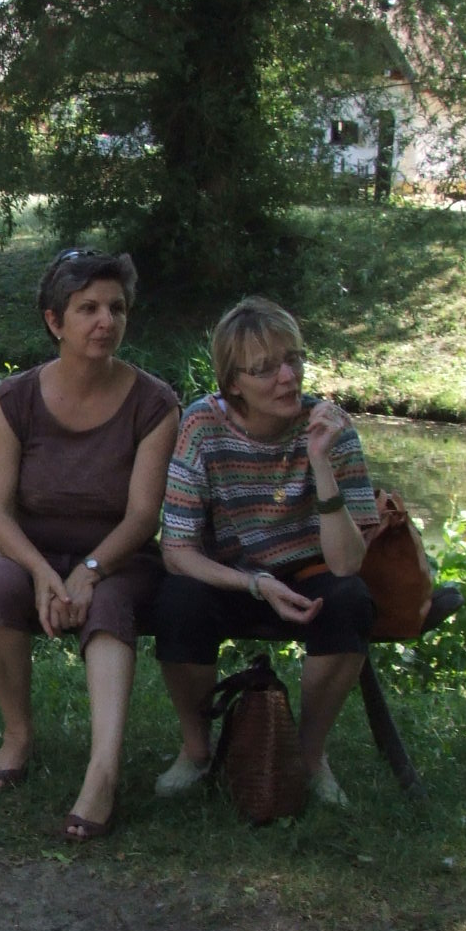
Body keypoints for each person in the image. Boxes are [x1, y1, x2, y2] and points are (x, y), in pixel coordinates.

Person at [0, 249, 181, 842]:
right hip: (33, 551)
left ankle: (103, 772)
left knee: (109, 605)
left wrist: (90, 569)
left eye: (116, 308)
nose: (105, 321)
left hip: (120, 558)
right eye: (88, 309)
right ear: (54, 321)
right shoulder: (14, 400)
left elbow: (143, 515)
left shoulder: (155, 404)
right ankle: (17, 734)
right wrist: (40, 571)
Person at [154, 295, 378, 807]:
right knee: (177, 603)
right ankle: (196, 750)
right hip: (233, 575)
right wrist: (256, 584)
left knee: (350, 601)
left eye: (293, 360)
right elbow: (178, 550)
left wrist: (320, 464)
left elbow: (347, 562)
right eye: (266, 369)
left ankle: (308, 757)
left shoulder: (331, 427)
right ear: (233, 383)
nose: (288, 378)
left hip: (312, 570)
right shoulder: (203, 425)